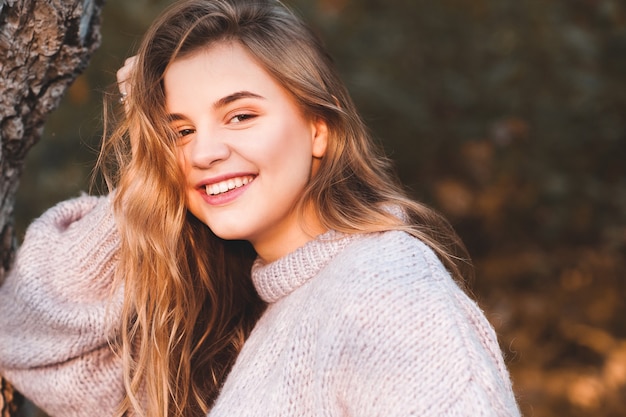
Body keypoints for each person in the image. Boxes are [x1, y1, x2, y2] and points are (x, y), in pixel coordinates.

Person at [0, 0, 522, 416]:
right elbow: (31, 335)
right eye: (180, 131)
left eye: (241, 115)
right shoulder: (251, 309)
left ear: (320, 129)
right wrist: (151, 173)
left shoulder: (386, 291)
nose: (202, 152)